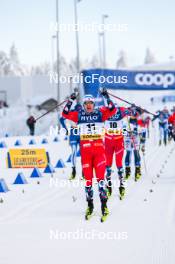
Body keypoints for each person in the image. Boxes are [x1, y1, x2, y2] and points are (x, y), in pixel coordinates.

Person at [62, 88, 116, 222]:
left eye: (91, 103)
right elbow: (64, 113)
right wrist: (71, 99)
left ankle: (104, 207)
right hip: (86, 152)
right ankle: (90, 206)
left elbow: (113, 110)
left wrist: (106, 96)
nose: (89, 105)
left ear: (94, 104)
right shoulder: (78, 115)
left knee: (100, 180)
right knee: (88, 182)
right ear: (84, 104)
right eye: (86, 103)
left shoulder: (100, 113)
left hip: (98, 152)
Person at [104, 104, 133, 199]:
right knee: (108, 165)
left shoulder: (120, 111)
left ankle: (121, 186)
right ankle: (108, 186)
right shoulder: (106, 111)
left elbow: (132, 113)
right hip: (108, 141)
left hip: (118, 141)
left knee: (119, 164)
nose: (114, 112)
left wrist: (131, 109)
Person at [60, 103, 82, 180]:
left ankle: (84, 172)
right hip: (73, 133)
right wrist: (65, 129)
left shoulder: (83, 112)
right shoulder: (71, 113)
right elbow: (61, 119)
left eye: (79, 111)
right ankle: (73, 171)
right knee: (74, 152)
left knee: (84, 153)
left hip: (82, 133)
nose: (78, 113)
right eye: (77, 111)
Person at [123, 105, 143, 181]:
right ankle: (127, 170)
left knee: (136, 152)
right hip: (128, 137)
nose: (133, 115)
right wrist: (126, 132)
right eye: (131, 114)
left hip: (136, 138)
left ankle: (137, 170)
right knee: (128, 152)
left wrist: (136, 131)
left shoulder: (139, 120)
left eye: (134, 114)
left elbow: (143, 129)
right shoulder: (126, 119)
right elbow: (123, 129)